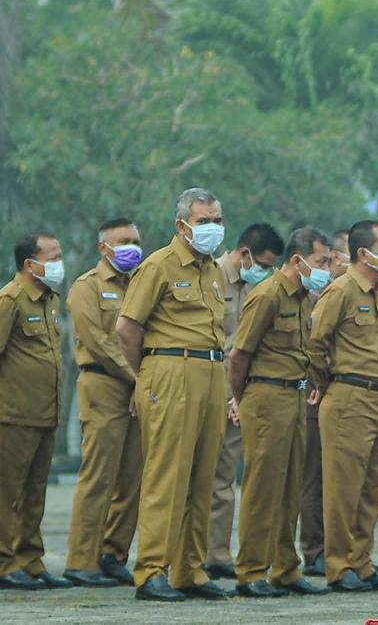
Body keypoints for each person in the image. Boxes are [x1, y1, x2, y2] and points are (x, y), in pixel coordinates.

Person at [117, 187, 232, 601]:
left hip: (212, 370)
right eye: (204, 222)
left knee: (204, 474)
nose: (213, 229)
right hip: (170, 368)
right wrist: (148, 372)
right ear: (182, 225)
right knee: (167, 474)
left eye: (217, 221)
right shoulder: (159, 266)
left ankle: (190, 569)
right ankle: (151, 570)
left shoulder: (215, 270)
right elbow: (127, 328)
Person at [229, 226, 333, 598]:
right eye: (321, 261)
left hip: (294, 396)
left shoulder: (306, 297)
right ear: (297, 260)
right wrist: (240, 398)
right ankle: (251, 571)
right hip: (266, 396)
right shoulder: (268, 294)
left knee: (290, 487)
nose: (326, 269)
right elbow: (240, 353)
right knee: (262, 488)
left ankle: (285, 569)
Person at [307, 219, 378, 592]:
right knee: (343, 489)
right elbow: (316, 341)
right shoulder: (342, 289)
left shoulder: (376, 291)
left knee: (369, 489)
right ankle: (338, 566)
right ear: (363, 253)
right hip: (348, 396)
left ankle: (362, 564)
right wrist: (326, 380)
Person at [0, 232, 72, 591]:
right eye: (53, 256)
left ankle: (30, 561)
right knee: (8, 493)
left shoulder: (50, 300)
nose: (58, 263)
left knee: (35, 493)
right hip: (14, 412)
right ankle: (3, 566)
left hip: (45, 412)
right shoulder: (9, 300)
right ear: (29, 263)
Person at [63, 218, 146, 587]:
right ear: (104, 248)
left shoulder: (142, 284)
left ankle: (113, 554)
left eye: (136, 240)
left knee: (132, 476)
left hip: (137, 387)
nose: (133, 247)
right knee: (99, 474)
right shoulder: (87, 287)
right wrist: (138, 378)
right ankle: (82, 560)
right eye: (124, 241)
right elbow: (99, 341)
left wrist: (142, 382)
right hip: (103, 383)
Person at [206, 223, 285, 581]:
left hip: (238, 391)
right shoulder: (210, 275)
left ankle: (216, 554)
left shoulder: (260, 287)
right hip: (205, 386)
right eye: (264, 264)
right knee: (197, 474)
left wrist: (237, 396)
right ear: (243, 254)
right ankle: (186, 553)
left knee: (226, 476)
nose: (268, 272)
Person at [301, 228, 349, 578]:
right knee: (315, 476)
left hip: (346, 395)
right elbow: (313, 346)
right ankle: (315, 550)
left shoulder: (359, 292)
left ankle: (343, 552)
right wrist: (321, 380)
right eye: (341, 254)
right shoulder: (317, 294)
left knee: (342, 479)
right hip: (318, 391)